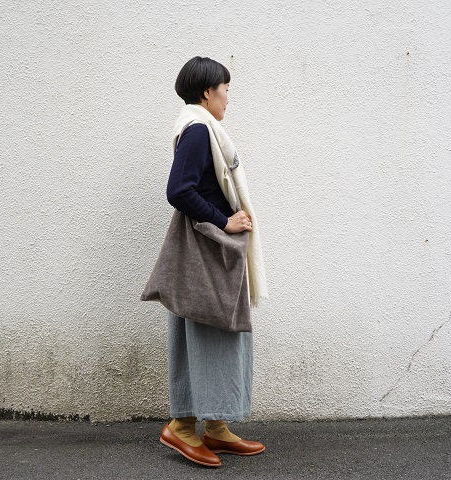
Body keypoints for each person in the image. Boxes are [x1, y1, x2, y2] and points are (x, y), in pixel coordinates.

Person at [157, 56, 268, 468]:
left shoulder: (202, 129)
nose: (228, 98)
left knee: (218, 336)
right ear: (208, 92)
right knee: (206, 333)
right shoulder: (199, 130)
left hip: (214, 251)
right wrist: (225, 221)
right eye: (225, 89)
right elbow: (178, 190)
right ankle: (182, 427)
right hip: (207, 252)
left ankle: (216, 428)